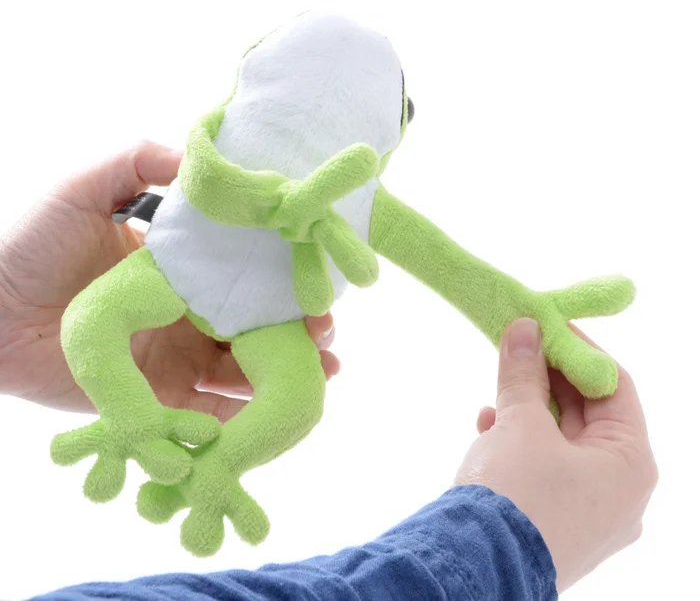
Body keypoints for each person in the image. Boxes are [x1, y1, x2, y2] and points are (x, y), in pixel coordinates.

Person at [0, 142, 658, 601]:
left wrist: (11, 317)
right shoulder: (220, 151)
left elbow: (460, 273)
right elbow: (458, 272)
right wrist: (506, 539)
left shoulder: (339, 189)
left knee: (292, 397)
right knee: (97, 325)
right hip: (183, 277)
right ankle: (153, 436)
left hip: (232, 305)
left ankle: (212, 468)